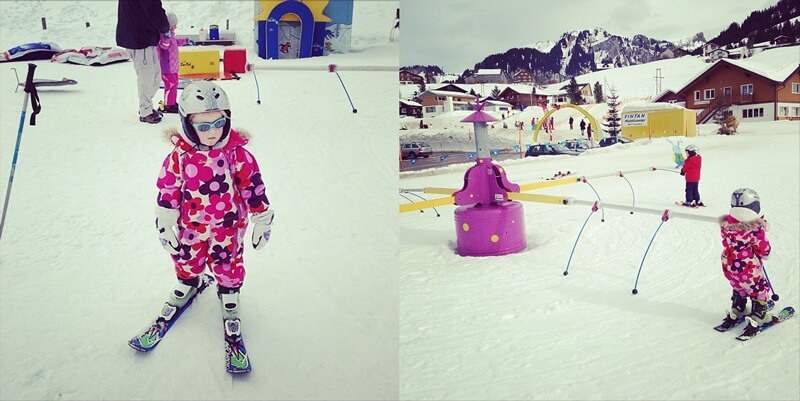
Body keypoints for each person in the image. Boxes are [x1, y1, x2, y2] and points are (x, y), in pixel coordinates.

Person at [131, 82, 272, 373]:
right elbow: (167, 189)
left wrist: (262, 218)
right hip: (191, 226)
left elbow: (253, 187)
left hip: (228, 227)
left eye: (219, 123)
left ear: (228, 119)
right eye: (203, 125)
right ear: (186, 123)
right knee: (187, 259)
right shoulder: (179, 157)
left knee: (228, 262)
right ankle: (188, 283)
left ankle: (229, 294)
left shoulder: (236, 154)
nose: (212, 131)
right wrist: (165, 225)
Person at [716, 188, 774, 338]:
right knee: (757, 288)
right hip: (747, 268)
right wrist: (761, 229)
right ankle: (759, 315)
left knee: (738, 285)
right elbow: (764, 250)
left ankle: (738, 308)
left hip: (729, 265)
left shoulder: (726, 226)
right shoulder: (755, 230)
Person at [116, 0, 170, 124]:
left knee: (156, 76)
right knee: (146, 77)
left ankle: (146, 106)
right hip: (139, 38)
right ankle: (145, 111)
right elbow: (152, 9)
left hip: (145, 36)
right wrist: (164, 26)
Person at [157, 13, 192, 114]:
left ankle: (171, 102)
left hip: (173, 67)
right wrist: (166, 37)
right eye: (174, 25)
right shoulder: (162, 35)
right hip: (166, 67)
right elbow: (164, 46)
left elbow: (175, 42)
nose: (175, 27)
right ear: (169, 26)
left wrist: (186, 41)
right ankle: (168, 105)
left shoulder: (171, 35)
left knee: (174, 84)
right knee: (170, 85)